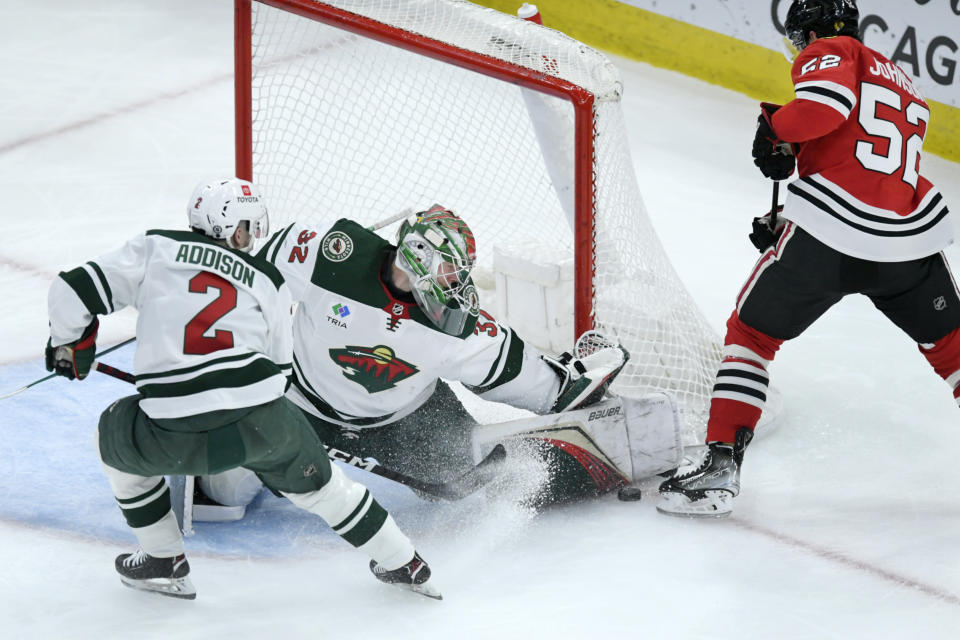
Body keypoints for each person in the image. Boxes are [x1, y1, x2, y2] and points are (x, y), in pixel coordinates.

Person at [45, 177, 440, 600]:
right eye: (248, 226)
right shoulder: (268, 278)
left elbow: (71, 290)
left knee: (113, 433)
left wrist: (73, 344)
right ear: (230, 227)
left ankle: (163, 558)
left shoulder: (155, 247)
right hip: (263, 422)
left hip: (170, 426)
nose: (251, 236)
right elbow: (280, 366)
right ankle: (405, 562)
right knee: (326, 490)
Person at [658, 0, 960, 517]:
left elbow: (821, 111)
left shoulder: (833, 49)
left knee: (751, 337)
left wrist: (776, 125)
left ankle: (719, 469)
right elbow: (866, 165)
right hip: (908, 244)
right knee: (955, 349)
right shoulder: (903, 83)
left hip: (829, 235)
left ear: (810, 30)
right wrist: (787, 222)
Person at [194, 204, 632, 513]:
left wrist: (563, 391)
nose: (456, 283)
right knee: (223, 492)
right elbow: (247, 275)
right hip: (299, 402)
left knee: (468, 479)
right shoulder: (333, 252)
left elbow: (507, 366)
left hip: (406, 420)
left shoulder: (456, 324)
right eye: (448, 269)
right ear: (417, 257)